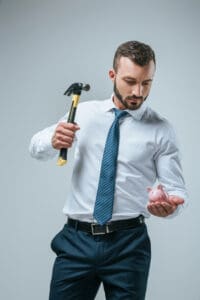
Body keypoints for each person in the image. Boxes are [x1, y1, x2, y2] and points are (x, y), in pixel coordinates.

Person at [29, 41, 188, 300]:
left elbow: (176, 190)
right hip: (75, 241)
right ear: (112, 76)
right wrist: (52, 140)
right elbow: (35, 148)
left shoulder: (161, 130)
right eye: (130, 81)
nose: (138, 91)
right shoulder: (82, 113)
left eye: (146, 83)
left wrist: (171, 206)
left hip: (129, 244)